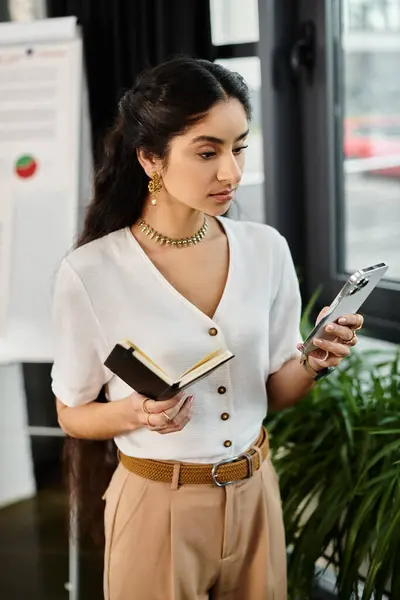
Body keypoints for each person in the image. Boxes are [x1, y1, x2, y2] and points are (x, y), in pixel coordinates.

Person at [51, 56, 363, 600]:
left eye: (239, 146)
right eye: (207, 152)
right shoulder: (91, 273)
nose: (232, 172)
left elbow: (273, 392)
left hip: (255, 495)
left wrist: (313, 362)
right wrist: (137, 413)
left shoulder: (265, 250)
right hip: (157, 505)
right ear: (151, 159)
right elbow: (71, 413)